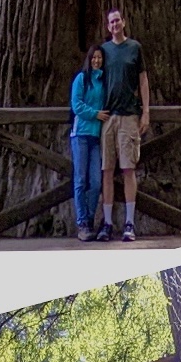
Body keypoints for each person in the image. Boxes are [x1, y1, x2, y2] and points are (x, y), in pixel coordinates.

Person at [94, 6, 153, 240]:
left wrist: (146, 112)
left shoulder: (134, 48)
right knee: (107, 170)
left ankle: (129, 222)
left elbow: (143, 80)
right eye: (111, 22)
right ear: (108, 27)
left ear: (124, 22)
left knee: (129, 169)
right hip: (108, 117)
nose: (115, 25)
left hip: (129, 115)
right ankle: (107, 223)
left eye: (118, 21)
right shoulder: (104, 50)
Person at [67, 41, 107, 240]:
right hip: (80, 134)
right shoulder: (81, 79)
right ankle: (82, 223)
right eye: (94, 58)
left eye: (99, 58)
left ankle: (90, 220)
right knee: (81, 179)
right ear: (89, 59)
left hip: (96, 137)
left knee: (96, 182)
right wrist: (96, 114)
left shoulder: (103, 82)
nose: (97, 61)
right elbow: (77, 106)